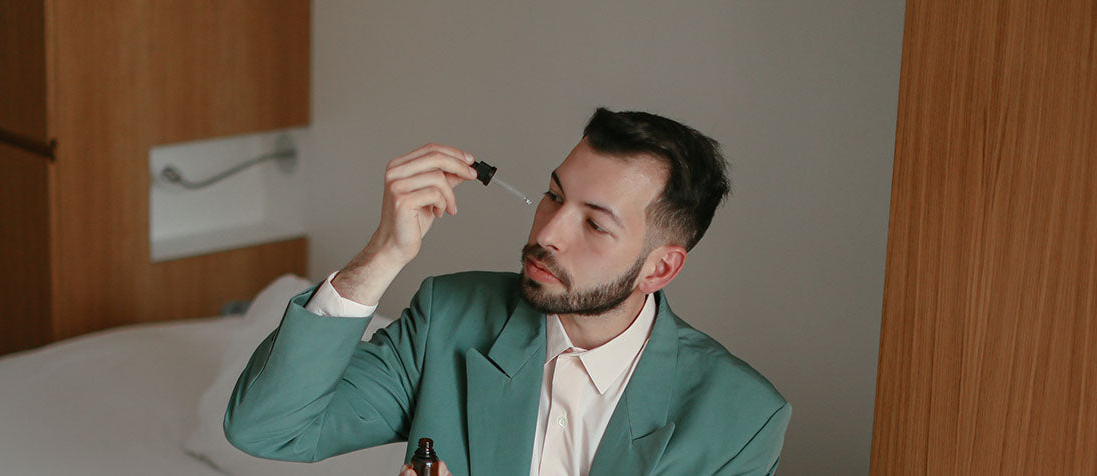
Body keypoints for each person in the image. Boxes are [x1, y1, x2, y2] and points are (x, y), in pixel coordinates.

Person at [223, 108, 791, 476]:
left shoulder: (740, 417)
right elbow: (269, 429)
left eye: (594, 225)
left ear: (660, 269)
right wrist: (382, 255)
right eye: (552, 196)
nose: (546, 234)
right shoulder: (449, 316)